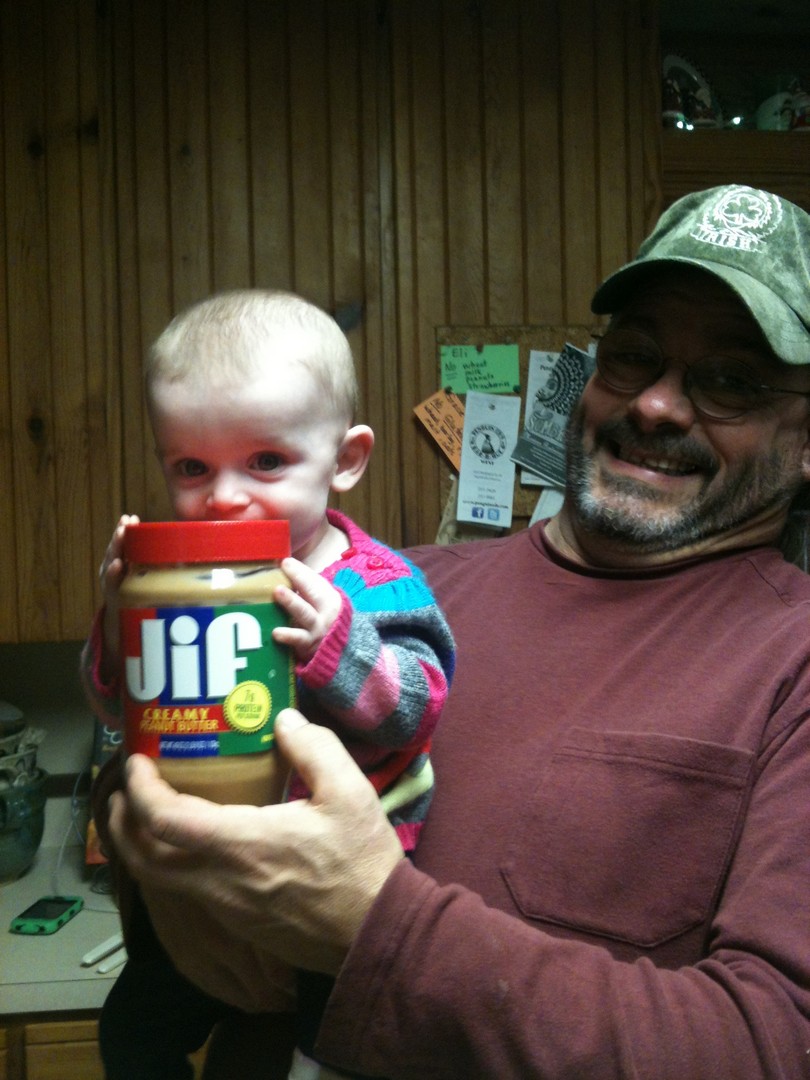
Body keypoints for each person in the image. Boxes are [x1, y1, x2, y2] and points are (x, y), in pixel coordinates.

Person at [105, 183, 810, 1078]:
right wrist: (151, 864)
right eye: (635, 356)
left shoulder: (792, 660)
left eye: (731, 380)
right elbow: (175, 754)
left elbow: (771, 1045)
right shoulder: (382, 596)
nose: (658, 407)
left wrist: (374, 924)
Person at [81, 289, 455, 1079]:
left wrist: (337, 644)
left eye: (266, 462)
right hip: (204, 879)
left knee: (334, 1052)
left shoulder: (375, 584)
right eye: (191, 467)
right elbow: (116, 707)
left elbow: (417, 711)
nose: (223, 497)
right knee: (130, 1033)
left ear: (345, 460)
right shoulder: (179, 584)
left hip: (334, 890)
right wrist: (120, 620)